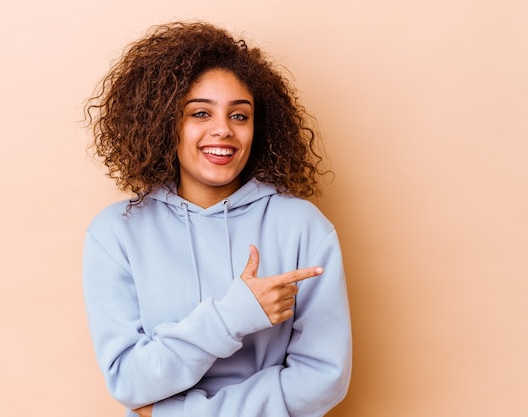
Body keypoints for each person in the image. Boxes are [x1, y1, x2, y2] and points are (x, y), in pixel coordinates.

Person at [82, 21, 351, 417]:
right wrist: (233, 315)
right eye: (200, 113)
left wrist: (174, 414)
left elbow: (323, 378)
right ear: (163, 123)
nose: (222, 130)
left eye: (239, 116)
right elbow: (128, 379)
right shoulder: (115, 233)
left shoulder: (303, 227)